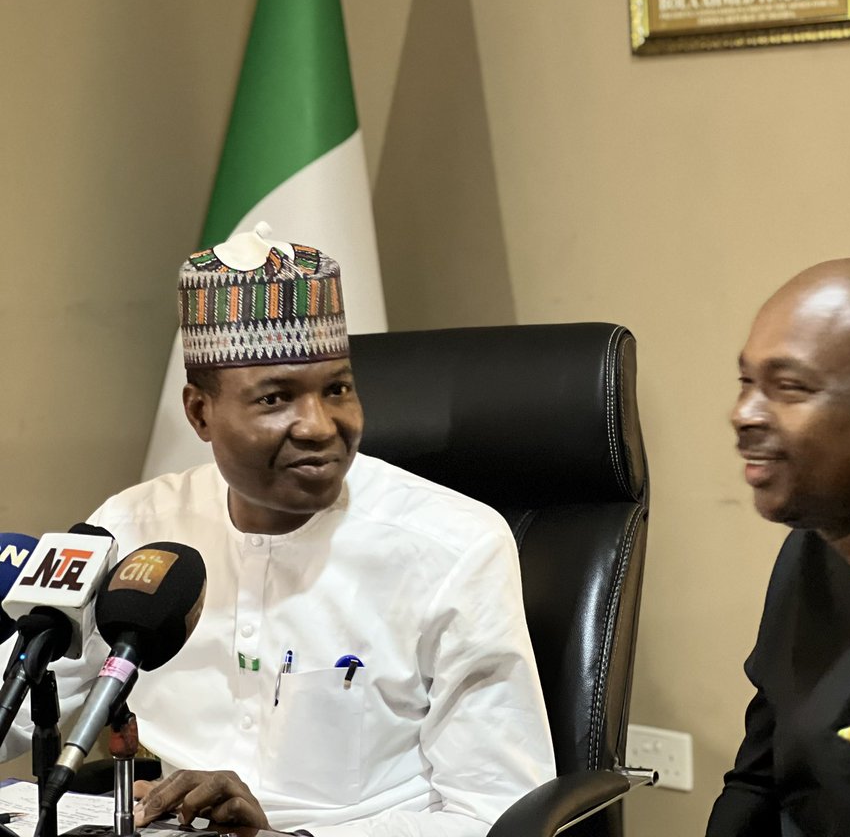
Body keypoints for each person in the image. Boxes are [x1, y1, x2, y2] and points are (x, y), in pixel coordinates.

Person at [1, 225, 555, 835]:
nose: (320, 426)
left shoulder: (455, 546)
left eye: (338, 388)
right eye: (275, 399)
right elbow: (18, 704)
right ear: (199, 413)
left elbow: (496, 811)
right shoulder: (132, 527)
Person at [707, 258, 850, 836]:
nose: (744, 414)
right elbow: (759, 779)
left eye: (789, 387)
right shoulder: (810, 546)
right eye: (747, 381)